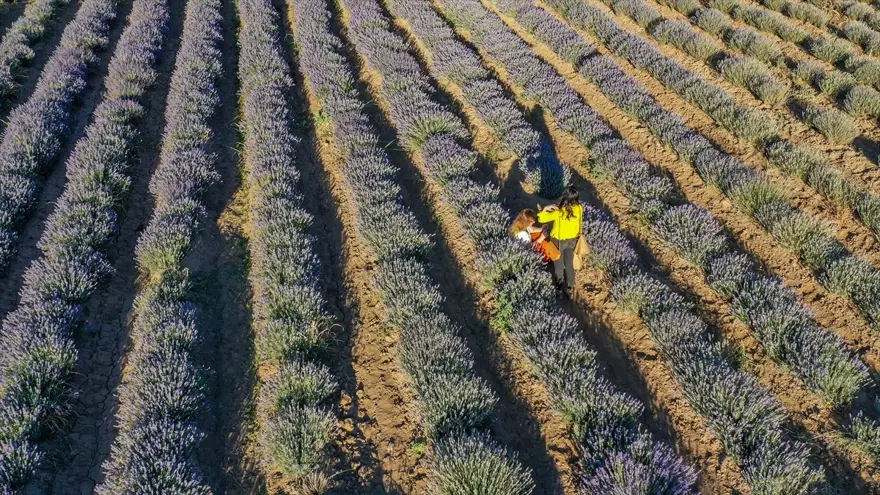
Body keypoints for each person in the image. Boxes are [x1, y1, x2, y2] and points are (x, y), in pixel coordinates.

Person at [535, 185, 583, 296]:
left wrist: (545, 209)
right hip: (572, 240)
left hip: (558, 242)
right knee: (569, 264)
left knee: (559, 266)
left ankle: (559, 290)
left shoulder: (559, 212)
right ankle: (570, 288)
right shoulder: (580, 208)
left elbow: (541, 218)